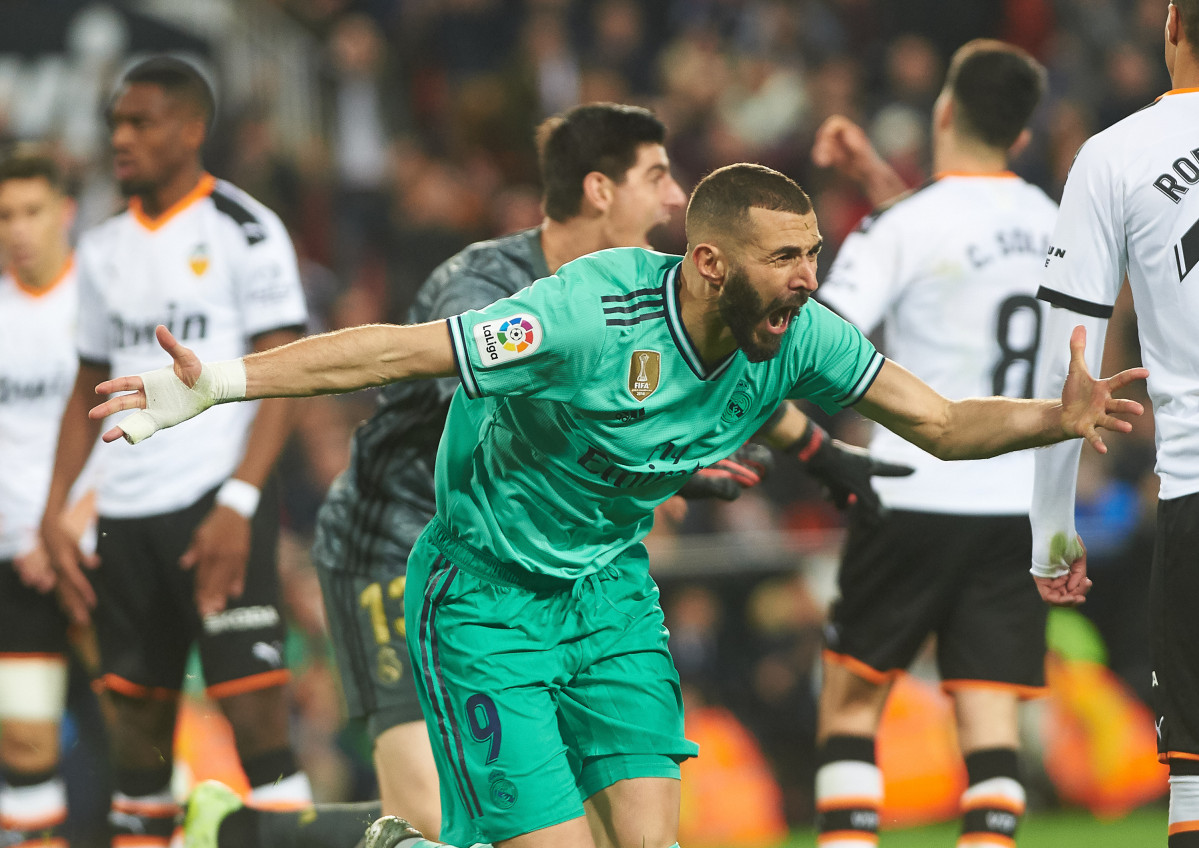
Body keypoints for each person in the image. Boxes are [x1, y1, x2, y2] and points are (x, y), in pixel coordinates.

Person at [88, 161, 1144, 848]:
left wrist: (1056, 417)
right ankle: (261, 830)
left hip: (607, 598)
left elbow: (943, 420)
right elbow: (403, 351)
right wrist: (217, 382)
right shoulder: (584, 314)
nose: (808, 280)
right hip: (484, 598)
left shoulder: (802, 337)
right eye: (786, 259)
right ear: (708, 262)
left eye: (813, 255)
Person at [184, 102, 910, 848]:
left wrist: (812, 452)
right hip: (407, 544)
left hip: (565, 570)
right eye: (655, 177)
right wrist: (649, 458)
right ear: (600, 191)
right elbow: (437, 379)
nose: (670, 198)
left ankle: (258, 834)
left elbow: (713, 386)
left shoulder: (658, 301)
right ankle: (256, 834)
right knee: (434, 815)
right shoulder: (495, 285)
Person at [39, 56, 313, 846]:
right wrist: (58, 507)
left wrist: (239, 502)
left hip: (215, 505)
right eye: (115, 122)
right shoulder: (99, 246)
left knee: (256, 717)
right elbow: (87, 382)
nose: (119, 137)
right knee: (136, 729)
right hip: (123, 515)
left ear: (191, 129)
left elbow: (281, 373)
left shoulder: (245, 229)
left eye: (140, 121)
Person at [808, 40, 1057, 847]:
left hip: (908, 485)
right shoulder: (1055, 223)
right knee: (988, 718)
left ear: (942, 111)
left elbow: (825, 331)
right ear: (1019, 136)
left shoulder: (902, 225)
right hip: (1017, 503)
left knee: (850, 703)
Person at [1028, 2, 1199, 844]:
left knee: (1195, 781)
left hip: (1195, 490)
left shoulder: (1115, 154)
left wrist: (1051, 533)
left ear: (1170, 26)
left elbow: (1068, 357)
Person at [0, 150, 93, 846]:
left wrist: (64, 527)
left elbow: (134, 422)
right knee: (26, 744)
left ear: (65, 212)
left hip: (98, 553)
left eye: (31, 211)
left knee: (142, 733)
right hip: (14, 566)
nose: (17, 229)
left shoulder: (101, 297)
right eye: (4, 215)